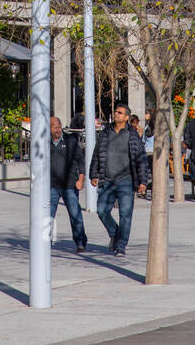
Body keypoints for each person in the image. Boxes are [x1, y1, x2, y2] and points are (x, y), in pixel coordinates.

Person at [89, 103, 149, 258]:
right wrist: (93, 174)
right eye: (115, 111)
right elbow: (97, 153)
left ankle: (121, 245)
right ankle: (115, 234)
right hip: (107, 180)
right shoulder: (106, 132)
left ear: (127, 117)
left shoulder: (132, 135)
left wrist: (143, 181)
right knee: (102, 210)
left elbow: (141, 160)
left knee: (125, 215)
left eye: (120, 113)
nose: (116, 114)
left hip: (126, 181)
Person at [50, 116, 87, 254]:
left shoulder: (70, 141)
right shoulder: (45, 143)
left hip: (70, 185)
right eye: (55, 127)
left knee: (75, 214)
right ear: (49, 129)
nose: (58, 129)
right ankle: (45, 241)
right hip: (52, 185)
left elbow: (80, 161)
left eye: (59, 126)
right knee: (48, 215)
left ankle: (80, 242)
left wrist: (81, 179)